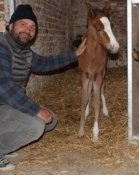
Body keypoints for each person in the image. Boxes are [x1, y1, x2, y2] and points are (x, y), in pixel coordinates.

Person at [0, 4, 86, 171]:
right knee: (36, 126)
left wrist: (75, 54)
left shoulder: (25, 52)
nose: (28, 30)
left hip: (8, 106)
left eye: (32, 27)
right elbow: (4, 86)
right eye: (23, 24)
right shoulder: (1, 46)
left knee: (51, 120)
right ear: (10, 25)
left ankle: (5, 143)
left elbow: (46, 64)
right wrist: (35, 109)